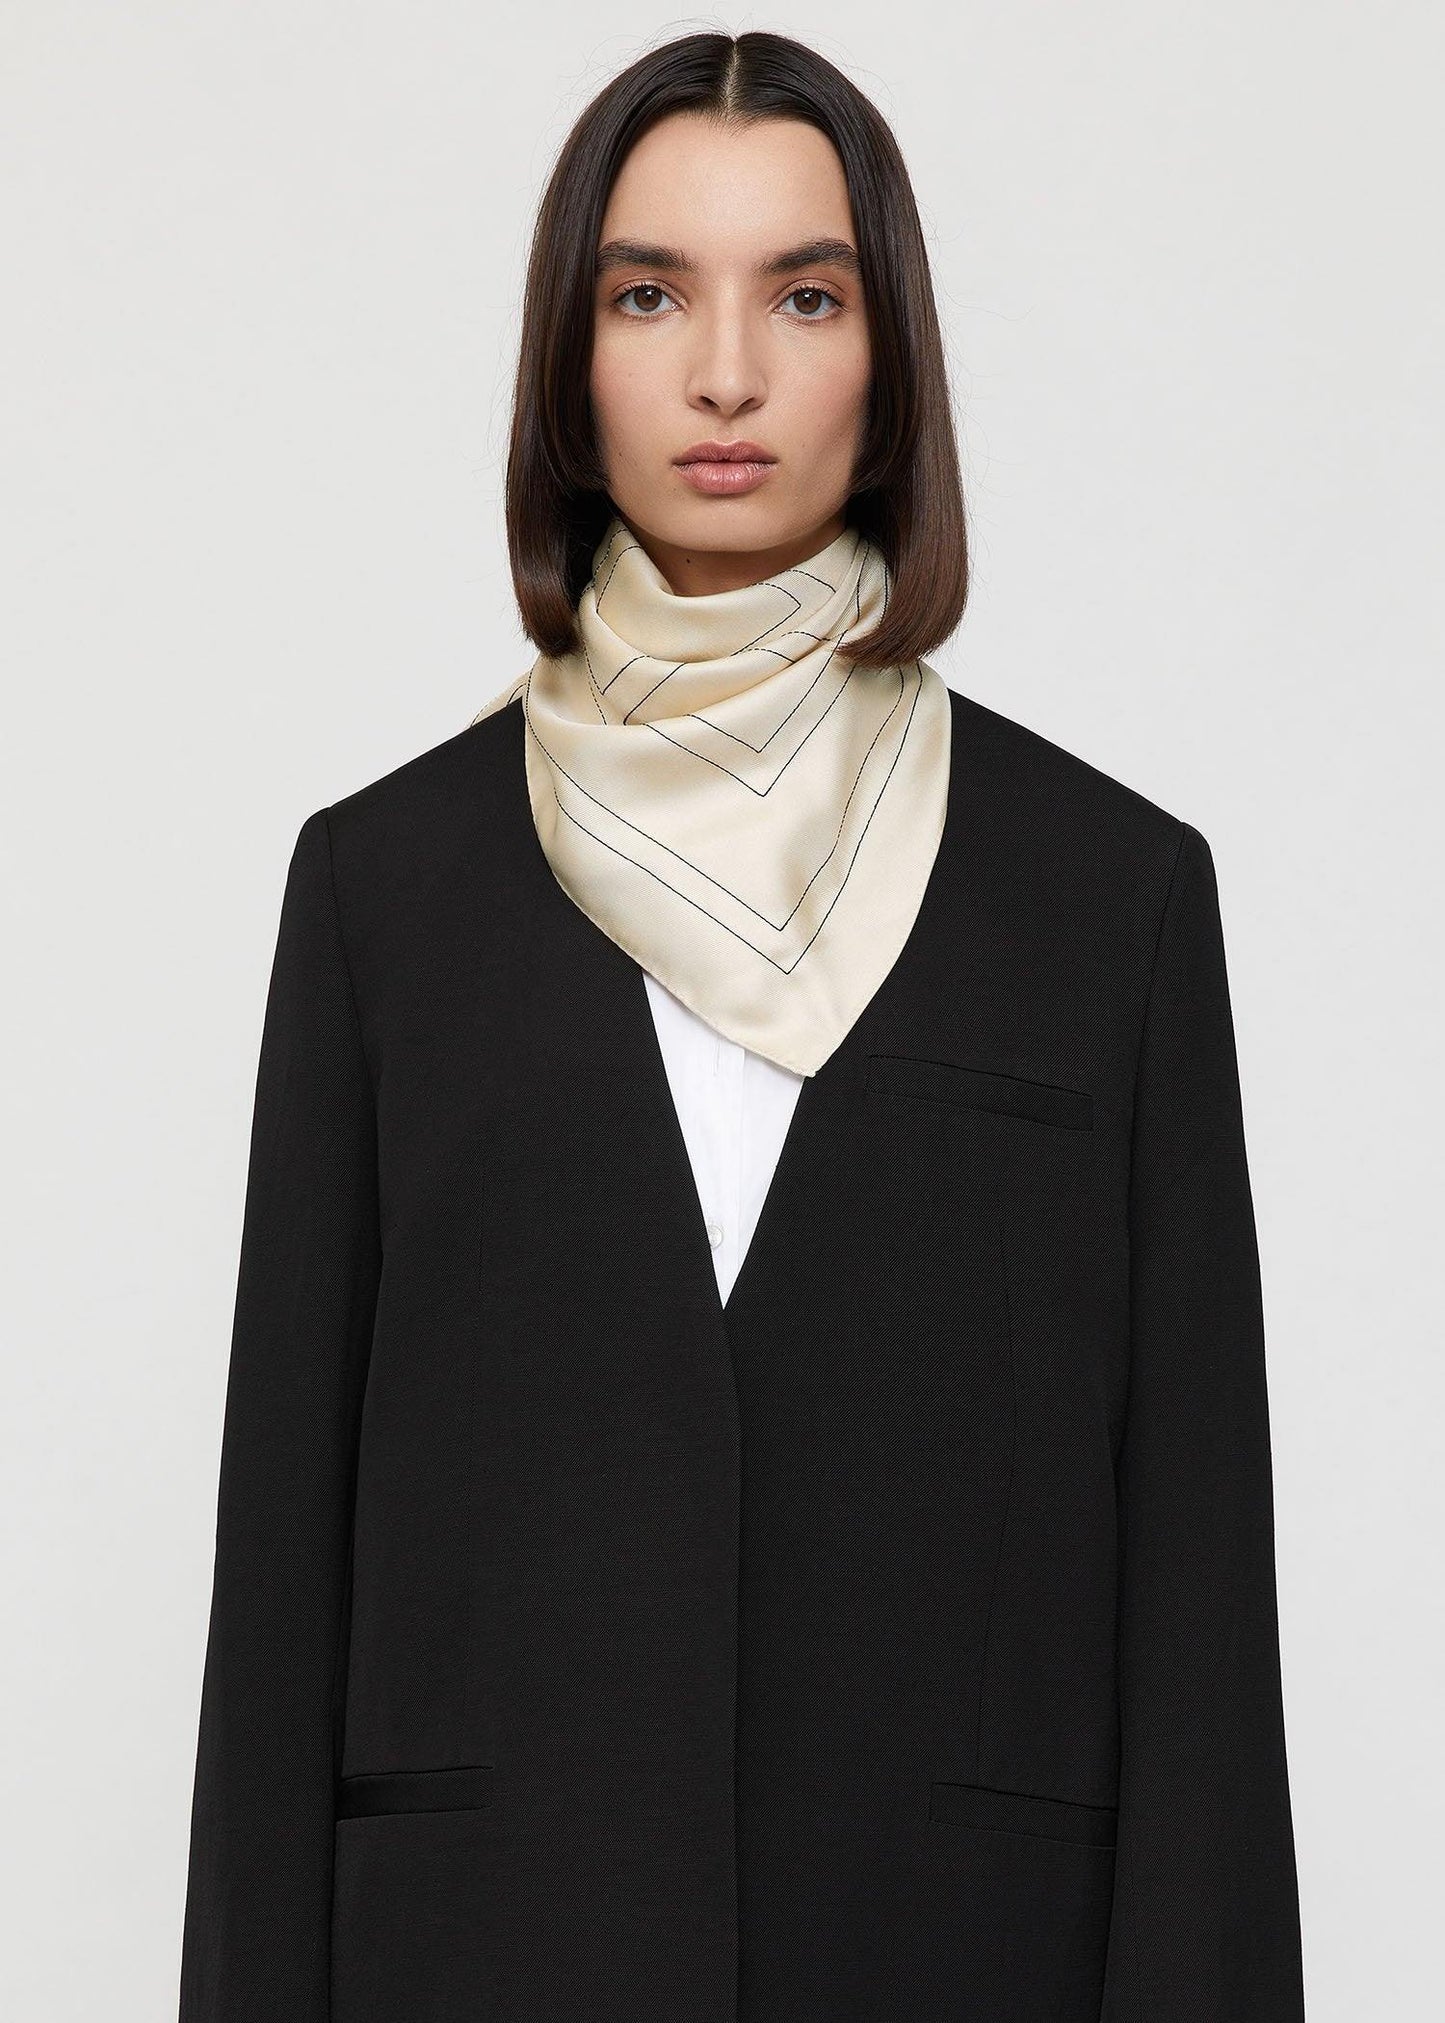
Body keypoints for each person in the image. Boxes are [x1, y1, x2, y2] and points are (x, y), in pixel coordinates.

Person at [178, 29, 1306, 2022]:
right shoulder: (383, 894)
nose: (724, 373)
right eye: (647, 295)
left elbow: (1199, 1611)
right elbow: (282, 1596)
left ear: (892, 361)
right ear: (567, 362)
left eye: (803, 295)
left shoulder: (1106, 897)